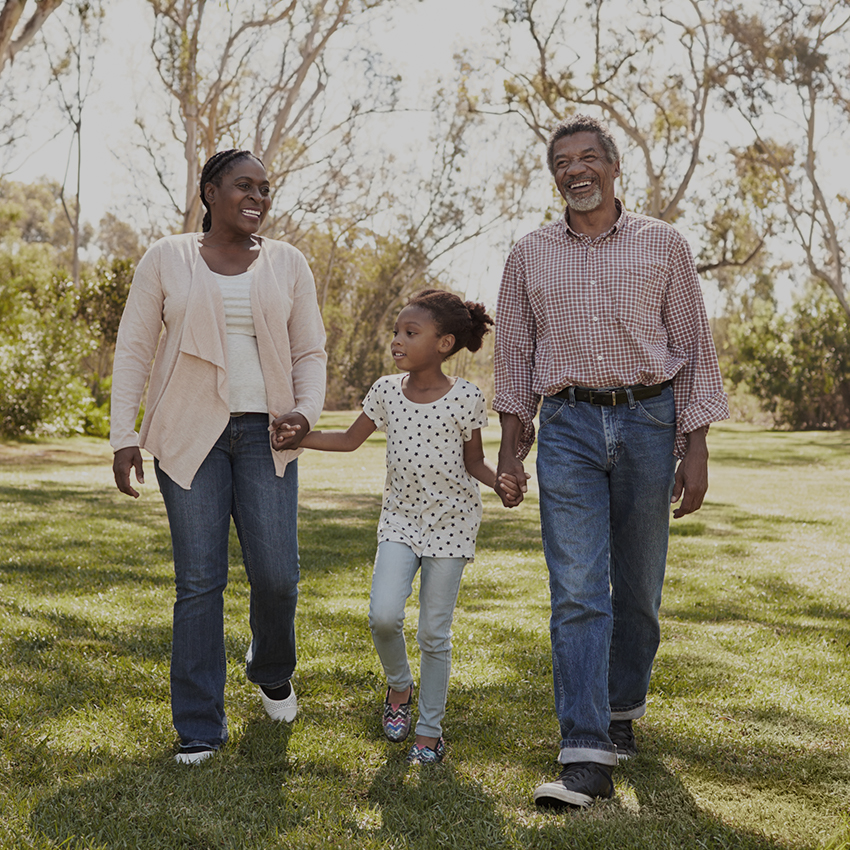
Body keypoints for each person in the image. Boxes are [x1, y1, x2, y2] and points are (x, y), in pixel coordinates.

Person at [493, 115, 729, 808]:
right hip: (567, 424)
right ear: (554, 175)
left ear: (614, 166)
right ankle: (585, 751)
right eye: (562, 161)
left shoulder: (665, 244)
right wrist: (513, 443)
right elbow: (513, 358)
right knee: (577, 591)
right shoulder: (529, 253)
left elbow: (693, 347)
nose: (576, 170)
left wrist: (697, 447)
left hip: (650, 420)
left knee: (640, 592)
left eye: (588, 157)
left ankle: (622, 709)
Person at [110, 149, 327, 765]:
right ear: (209, 191)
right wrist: (123, 433)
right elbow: (134, 347)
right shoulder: (167, 257)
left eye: (265, 187)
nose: (257, 196)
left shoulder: (289, 263)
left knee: (278, 576)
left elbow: (310, 351)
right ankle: (200, 725)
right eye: (242, 186)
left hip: (269, 434)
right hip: (188, 433)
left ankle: (271, 668)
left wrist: (305, 414)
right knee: (200, 582)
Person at [273, 289, 526, 764]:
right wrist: (299, 436)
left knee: (435, 633)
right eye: (396, 332)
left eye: (410, 333)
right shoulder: (386, 391)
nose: (397, 341)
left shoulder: (468, 397)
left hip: (452, 524)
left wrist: (500, 485)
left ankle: (429, 731)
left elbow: (474, 460)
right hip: (400, 520)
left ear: (445, 343)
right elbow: (350, 440)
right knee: (383, 616)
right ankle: (398, 685)